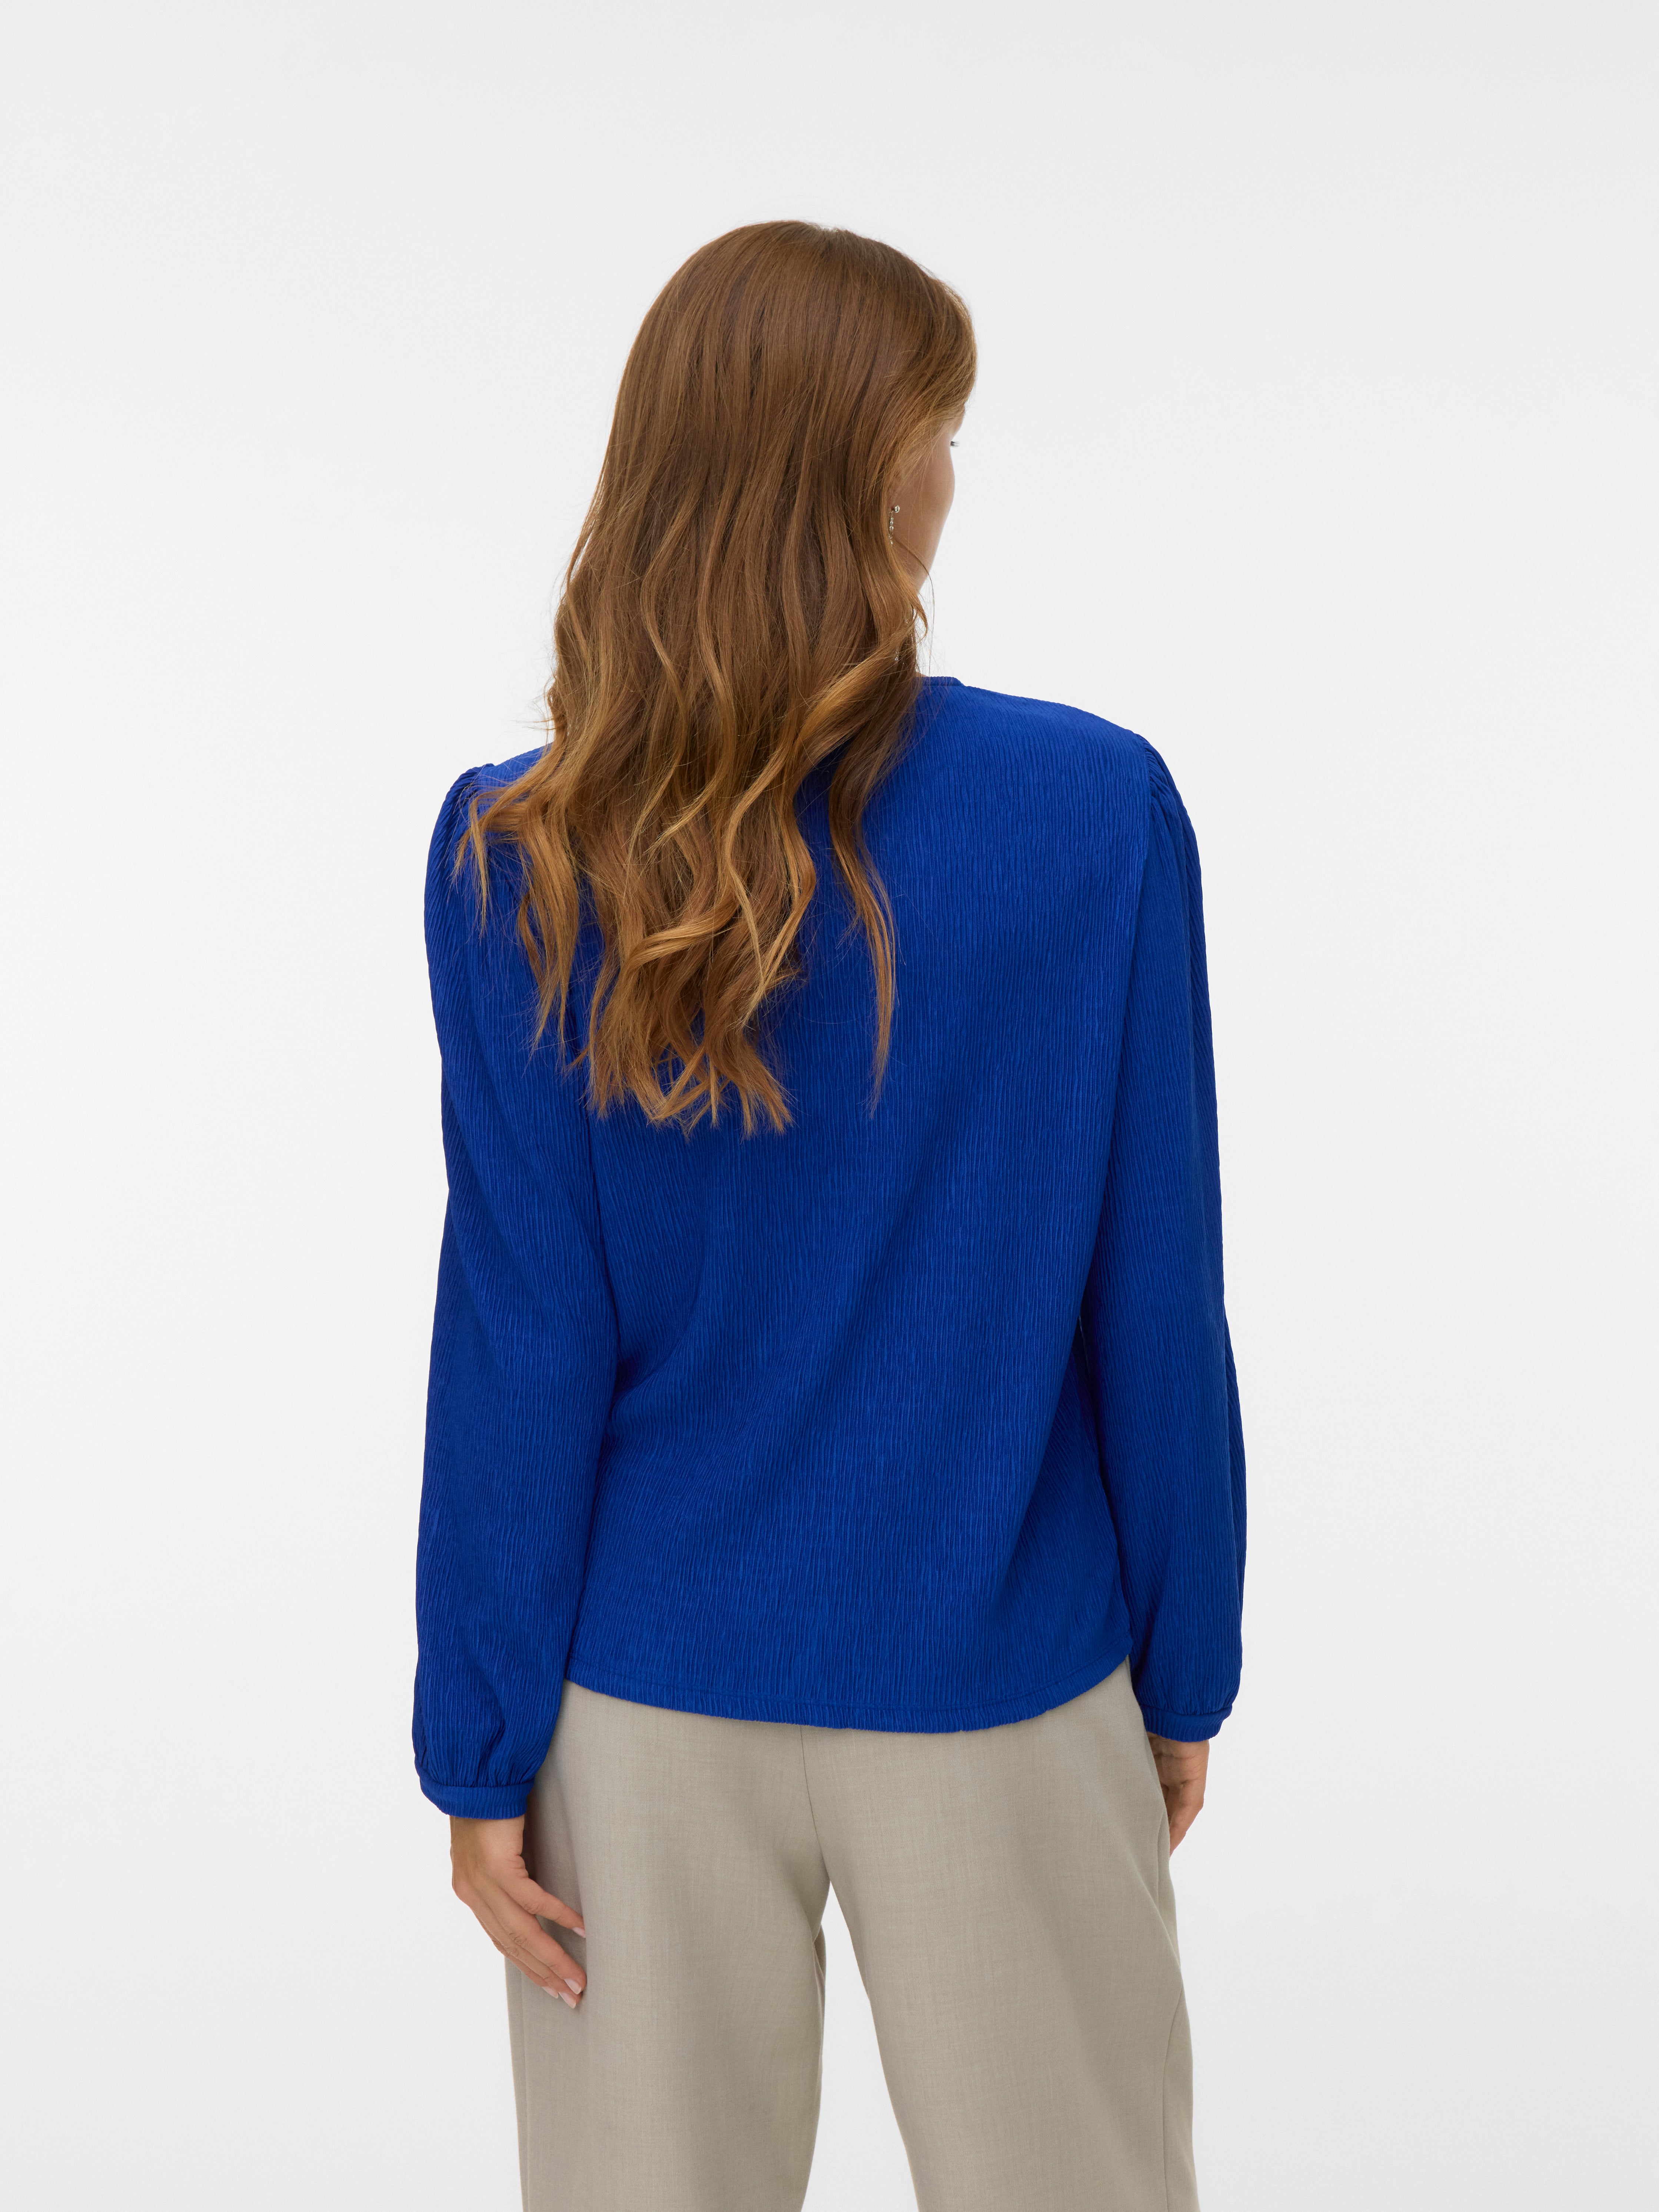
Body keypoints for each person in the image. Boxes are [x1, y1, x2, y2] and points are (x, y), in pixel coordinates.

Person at [414, 220, 1245, 2212]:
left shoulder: (524, 847)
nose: (954, 480)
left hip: (634, 1702)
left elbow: (522, 1337)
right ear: (874, 474)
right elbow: (1156, 1296)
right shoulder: (1095, 810)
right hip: (1005, 1665)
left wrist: (480, 1742)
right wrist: (1184, 1661)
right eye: (939, 435)